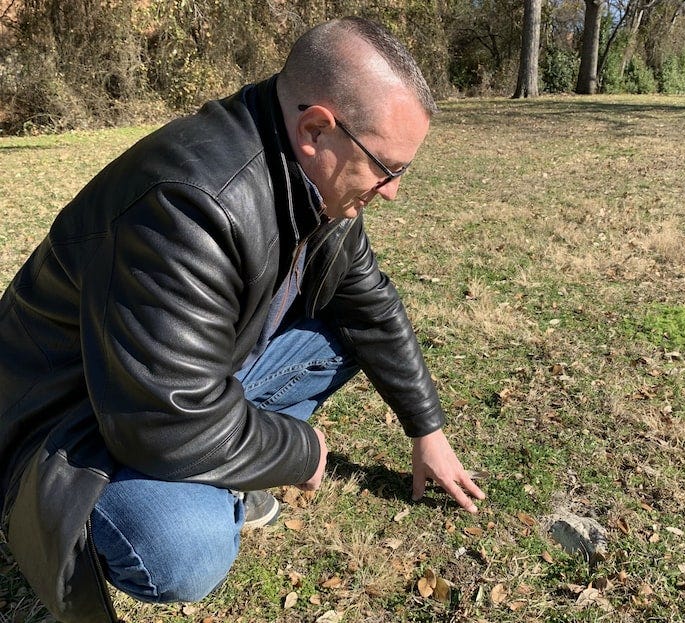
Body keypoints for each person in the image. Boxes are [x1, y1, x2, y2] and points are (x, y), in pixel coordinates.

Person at [0, 16, 485, 623]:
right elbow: (163, 422)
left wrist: (427, 432)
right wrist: (299, 450)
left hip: (176, 385)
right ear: (317, 129)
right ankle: (130, 511)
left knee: (344, 336)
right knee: (182, 547)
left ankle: (220, 472)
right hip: (69, 425)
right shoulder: (190, 205)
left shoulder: (317, 180)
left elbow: (372, 307)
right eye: (388, 168)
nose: (391, 191)